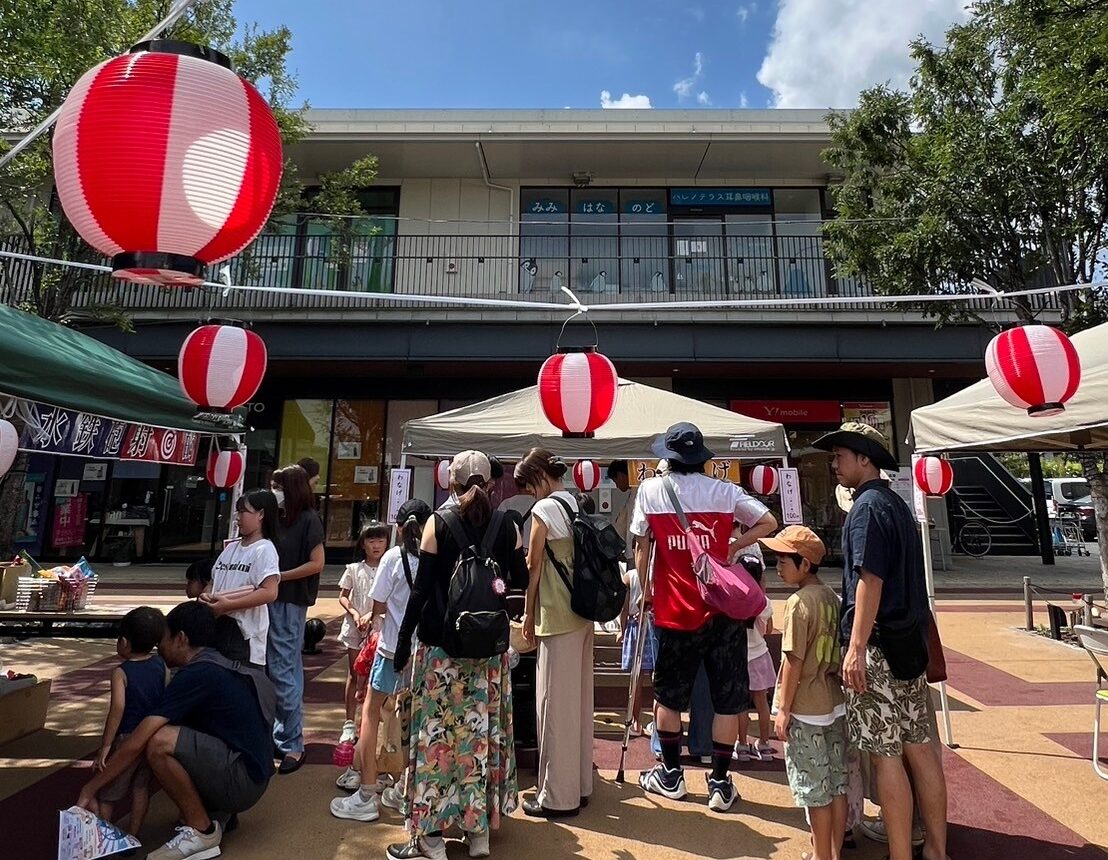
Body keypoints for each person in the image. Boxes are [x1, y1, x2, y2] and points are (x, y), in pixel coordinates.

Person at [812, 422, 948, 860]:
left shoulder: (866, 509)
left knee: (886, 756)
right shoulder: (896, 505)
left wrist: (855, 648)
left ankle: (902, 853)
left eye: (840, 456)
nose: (834, 464)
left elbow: (869, 580)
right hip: (909, 645)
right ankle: (936, 849)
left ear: (864, 458)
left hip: (878, 649)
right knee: (921, 750)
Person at [631, 422, 777, 812]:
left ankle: (671, 775)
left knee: (668, 697)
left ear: (669, 457)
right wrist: (734, 545)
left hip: (675, 610)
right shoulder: (725, 492)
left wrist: (646, 592)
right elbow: (769, 521)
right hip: (723, 610)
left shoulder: (651, 491)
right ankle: (720, 782)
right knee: (727, 700)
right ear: (701, 458)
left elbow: (642, 547)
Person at [389, 450, 527, 860]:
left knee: (438, 742)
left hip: (441, 653)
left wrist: (402, 645)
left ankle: (431, 837)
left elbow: (420, 592)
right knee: (479, 740)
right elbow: (519, 579)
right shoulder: (507, 524)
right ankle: (478, 831)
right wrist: (496, 579)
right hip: (487, 656)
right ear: (490, 482)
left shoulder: (438, 522)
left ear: (451, 482)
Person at [78, 602, 275, 860]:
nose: (158, 647)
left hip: (241, 782)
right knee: (179, 732)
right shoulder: (217, 662)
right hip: (253, 774)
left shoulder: (195, 674)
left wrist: (91, 788)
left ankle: (201, 830)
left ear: (181, 638)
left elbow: (138, 741)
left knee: (158, 741)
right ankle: (218, 812)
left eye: (163, 639)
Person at [332, 500, 432, 819]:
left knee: (371, 713)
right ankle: (407, 788)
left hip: (391, 649)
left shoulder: (393, 557)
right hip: (424, 651)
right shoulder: (436, 555)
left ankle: (366, 793)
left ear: (398, 529)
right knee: (416, 719)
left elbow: (378, 605)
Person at [759, 525, 847, 860]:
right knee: (836, 782)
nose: (778, 566)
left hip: (805, 706)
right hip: (833, 700)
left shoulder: (798, 603)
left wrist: (783, 708)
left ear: (804, 564)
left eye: (784, 560)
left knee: (814, 789)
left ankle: (821, 855)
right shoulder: (831, 597)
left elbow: (793, 661)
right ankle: (834, 852)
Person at [515, 448, 593, 818]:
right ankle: (580, 785)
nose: (530, 493)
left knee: (554, 708)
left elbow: (533, 567)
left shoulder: (543, 510)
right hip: (583, 614)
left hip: (557, 616)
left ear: (541, 477)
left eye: (530, 486)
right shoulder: (575, 503)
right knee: (579, 705)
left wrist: (528, 614)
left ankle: (558, 797)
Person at [269, 464, 325, 774]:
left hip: (289, 600)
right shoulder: (275, 518)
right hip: (270, 598)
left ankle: (292, 741)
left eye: (278, 486)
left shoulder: (308, 519)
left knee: (281, 669)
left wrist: (280, 576)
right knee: (285, 667)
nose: (274, 491)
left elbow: (317, 563)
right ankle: (284, 734)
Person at [94, 607, 168, 836]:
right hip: (151, 735)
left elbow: (117, 709)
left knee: (109, 792)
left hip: (127, 737)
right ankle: (134, 835)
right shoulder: (161, 665)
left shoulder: (121, 672)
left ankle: (104, 838)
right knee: (140, 787)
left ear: (124, 642)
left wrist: (106, 746)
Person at [199, 489, 281, 667]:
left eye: (243, 511)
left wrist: (228, 605)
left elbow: (269, 592)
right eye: (238, 511)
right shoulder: (231, 548)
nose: (237, 517)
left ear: (261, 514)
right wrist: (206, 596)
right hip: (218, 624)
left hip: (244, 633)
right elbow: (213, 581)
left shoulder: (264, 549)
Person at [337, 519, 390, 747]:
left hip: (379, 627)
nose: (376, 545)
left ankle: (371, 723)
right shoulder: (353, 569)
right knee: (354, 673)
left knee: (376, 675)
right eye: (371, 540)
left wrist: (372, 614)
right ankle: (349, 723)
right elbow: (343, 595)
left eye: (380, 540)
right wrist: (354, 613)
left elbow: (392, 599)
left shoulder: (390, 568)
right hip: (355, 627)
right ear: (363, 543)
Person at [735, 554, 775, 762]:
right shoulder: (764, 602)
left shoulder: (733, 599)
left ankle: (742, 744)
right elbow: (768, 629)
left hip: (739, 657)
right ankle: (765, 744)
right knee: (762, 703)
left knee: (741, 705)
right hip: (759, 655)